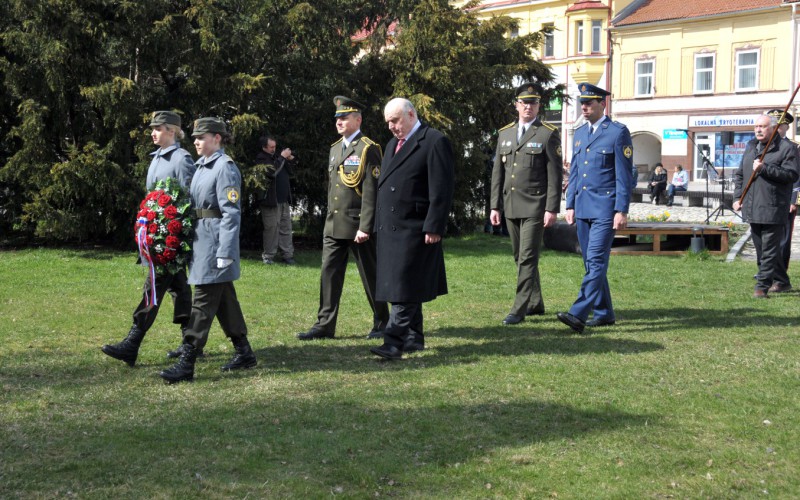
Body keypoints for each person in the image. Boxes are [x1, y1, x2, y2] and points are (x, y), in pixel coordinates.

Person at [159, 117, 257, 383]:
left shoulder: (224, 167)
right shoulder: (202, 166)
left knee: (202, 301)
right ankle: (244, 351)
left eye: (201, 137)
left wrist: (225, 251)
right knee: (224, 300)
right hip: (202, 239)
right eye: (194, 137)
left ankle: (187, 360)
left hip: (215, 243)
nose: (196, 142)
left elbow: (231, 212)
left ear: (217, 138)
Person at [101, 110, 196, 366]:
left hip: (171, 240)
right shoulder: (156, 158)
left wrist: (173, 235)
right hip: (156, 237)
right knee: (180, 289)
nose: (153, 133)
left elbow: (187, 200)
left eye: (158, 128)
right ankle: (191, 341)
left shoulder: (181, 159)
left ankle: (132, 343)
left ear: (172, 131)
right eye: (153, 129)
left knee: (153, 287)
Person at [297, 96, 389, 340]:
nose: (339, 121)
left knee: (370, 274)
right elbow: (333, 189)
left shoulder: (368, 148)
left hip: (359, 225)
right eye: (337, 118)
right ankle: (324, 325)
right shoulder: (335, 148)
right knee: (328, 274)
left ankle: (382, 321)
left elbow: (372, 190)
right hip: (334, 223)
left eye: (344, 117)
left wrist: (366, 226)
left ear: (357, 120)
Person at [369, 98, 454, 360]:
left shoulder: (433, 141)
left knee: (404, 286)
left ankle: (393, 342)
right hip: (392, 228)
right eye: (388, 123)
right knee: (403, 284)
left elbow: (441, 189)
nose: (391, 127)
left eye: (395, 120)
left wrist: (434, 225)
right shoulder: (393, 144)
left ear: (410, 114)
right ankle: (414, 338)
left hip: (416, 227)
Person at [557, 83, 634, 334]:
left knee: (597, 261)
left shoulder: (617, 132)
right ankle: (604, 313)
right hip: (583, 207)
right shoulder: (580, 133)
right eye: (582, 103)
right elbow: (577, 171)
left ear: (603, 104)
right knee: (591, 264)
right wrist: (569, 204)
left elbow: (624, 176)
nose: (585, 107)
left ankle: (578, 313)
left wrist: (621, 210)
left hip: (605, 208)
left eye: (589, 102)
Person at [490, 82, 562, 325]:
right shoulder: (505, 133)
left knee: (528, 256)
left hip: (535, 205)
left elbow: (555, 175)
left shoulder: (547, 133)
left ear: (539, 105)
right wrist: (494, 206)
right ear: (516, 105)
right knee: (518, 256)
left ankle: (519, 308)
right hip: (510, 205)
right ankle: (535, 302)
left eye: (533, 102)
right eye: (524, 102)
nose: (528, 107)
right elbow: (497, 173)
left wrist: (552, 208)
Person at [733, 113, 799, 298]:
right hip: (752, 206)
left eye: (762, 127)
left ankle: (762, 286)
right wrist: (737, 197)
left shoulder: (787, 148)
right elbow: (740, 175)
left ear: (773, 128)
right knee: (762, 249)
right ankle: (782, 281)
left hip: (773, 206)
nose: (758, 130)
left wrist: (765, 169)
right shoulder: (751, 146)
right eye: (756, 127)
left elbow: (791, 175)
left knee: (769, 249)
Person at [765, 109, 800, 273]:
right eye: (773, 125)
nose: (775, 128)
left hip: (785, 200)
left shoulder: (794, 147)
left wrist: (794, 200)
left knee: (783, 239)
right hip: (766, 199)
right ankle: (766, 270)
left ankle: (780, 274)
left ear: (786, 127)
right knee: (767, 238)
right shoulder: (764, 146)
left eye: (778, 126)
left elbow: (797, 176)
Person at [257, 135, 297, 265]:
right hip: (270, 201)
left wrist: (290, 160)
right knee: (272, 229)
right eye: (271, 147)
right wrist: (282, 157)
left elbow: (291, 172)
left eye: (275, 146)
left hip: (283, 200)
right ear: (264, 147)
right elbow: (272, 173)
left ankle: (288, 255)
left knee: (286, 228)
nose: (274, 149)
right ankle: (268, 256)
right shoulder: (261, 158)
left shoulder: (276, 158)